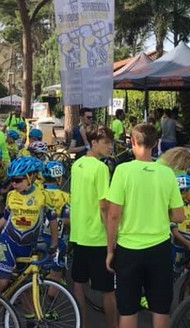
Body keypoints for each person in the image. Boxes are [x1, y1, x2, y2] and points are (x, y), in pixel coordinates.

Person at [106, 123, 185, 328]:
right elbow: (179, 215)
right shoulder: (167, 173)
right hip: (159, 248)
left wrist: (109, 249)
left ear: (132, 141)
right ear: (156, 143)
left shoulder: (122, 171)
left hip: (128, 249)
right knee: (160, 309)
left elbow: (113, 215)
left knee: (128, 310)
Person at [0, 159, 58, 305]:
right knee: (3, 281)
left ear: (30, 177)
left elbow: (52, 219)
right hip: (9, 241)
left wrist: (54, 244)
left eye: (17, 180)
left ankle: (30, 316)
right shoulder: (11, 195)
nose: (14, 184)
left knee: (25, 281)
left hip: (29, 245)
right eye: (12, 181)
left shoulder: (43, 194)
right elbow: (5, 218)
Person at [71, 125, 117, 328]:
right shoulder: (101, 168)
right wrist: (111, 241)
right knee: (108, 289)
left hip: (78, 233)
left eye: (111, 142)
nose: (110, 146)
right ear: (94, 143)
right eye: (106, 142)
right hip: (97, 236)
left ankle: (84, 324)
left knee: (79, 283)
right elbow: (104, 207)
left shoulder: (77, 164)